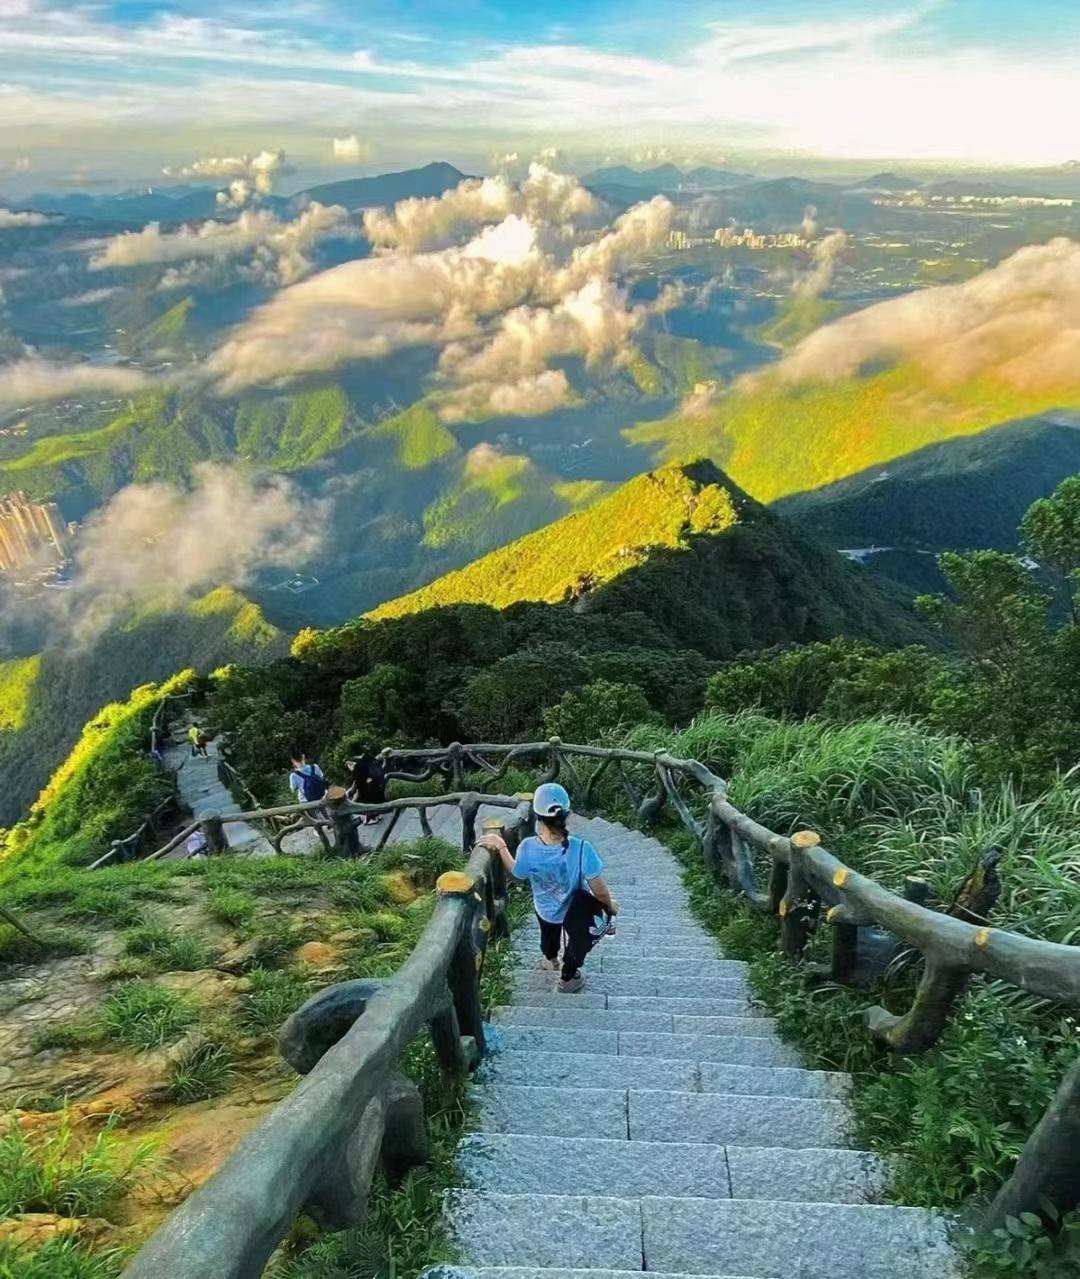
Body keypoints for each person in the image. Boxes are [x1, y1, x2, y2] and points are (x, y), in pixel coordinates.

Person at [479, 782, 618, 994]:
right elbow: (599, 891)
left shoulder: (528, 847)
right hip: (574, 911)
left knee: (548, 935)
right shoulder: (582, 848)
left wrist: (500, 846)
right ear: (567, 814)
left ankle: (550, 960)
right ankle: (569, 978)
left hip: (545, 909)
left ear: (538, 817)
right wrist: (610, 906)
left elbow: (517, 874)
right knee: (576, 940)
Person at [345, 747, 387, 823]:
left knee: (366, 799)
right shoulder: (369, 759)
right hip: (378, 785)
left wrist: (349, 792)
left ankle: (373, 817)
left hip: (368, 789)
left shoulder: (358, 768)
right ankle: (378, 814)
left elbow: (356, 784)